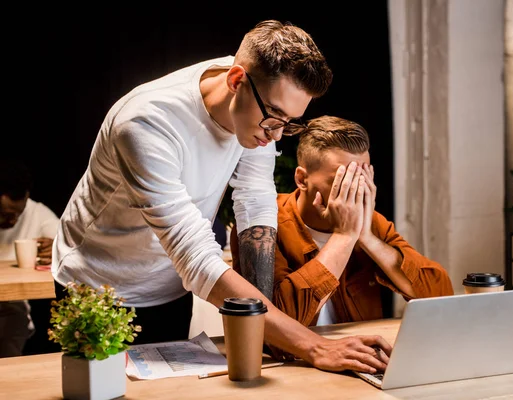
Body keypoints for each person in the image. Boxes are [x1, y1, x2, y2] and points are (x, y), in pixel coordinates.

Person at [52, 20, 390, 373]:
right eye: (274, 117)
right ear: (235, 81)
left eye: (289, 123)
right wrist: (315, 347)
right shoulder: (145, 123)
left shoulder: (257, 110)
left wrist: (267, 330)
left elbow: (255, 200)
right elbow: (195, 256)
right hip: (96, 287)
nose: (276, 136)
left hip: (169, 287)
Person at [231, 116, 454, 328]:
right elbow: (278, 325)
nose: (355, 190)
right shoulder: (264, 225)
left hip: (359, 354)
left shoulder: (372, 224)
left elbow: (439, 296)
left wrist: (366, 237)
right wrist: (344, 237)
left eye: (361, 178)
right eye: (342, 180)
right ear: (302, 179)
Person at [0, 159, 59, 357]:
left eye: (19, 214)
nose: (14, 221)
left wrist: (57, 247)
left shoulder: (36, 213)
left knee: (15, 319)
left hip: (10, 308)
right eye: (6, 215)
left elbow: (64, 240)